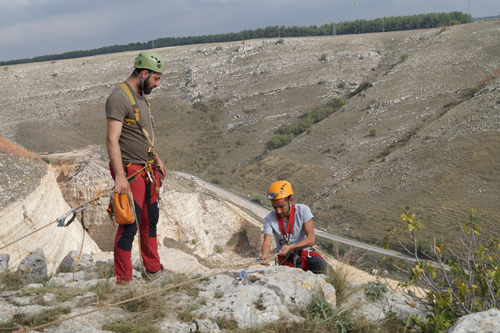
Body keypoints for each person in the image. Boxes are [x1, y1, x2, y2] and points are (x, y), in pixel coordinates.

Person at [105, 51, 167, 283]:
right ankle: (124, 280)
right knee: (129, 225)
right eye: (156, 79)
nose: (158, 84)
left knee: (150, 220)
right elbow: (112, 140)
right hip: (131, 171)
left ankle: (153, 269)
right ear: (143, 73)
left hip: (148, 170)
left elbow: (144, 135)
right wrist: (120, 176)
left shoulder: (140, 97)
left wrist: (157, 158)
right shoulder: (119, 98)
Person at [260, 180, 328, 274]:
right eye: (275, 207)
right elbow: (267, 242)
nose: (278, 211)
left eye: (281, 206)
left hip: (307, 257)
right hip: (287, 261)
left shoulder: (303, 211)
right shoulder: (269, 219)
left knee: (329, 273)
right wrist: (264, 255)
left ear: (290, 200)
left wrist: (291, 247)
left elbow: (311, 239)